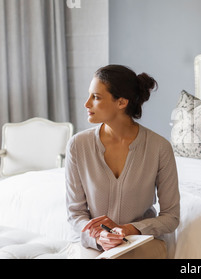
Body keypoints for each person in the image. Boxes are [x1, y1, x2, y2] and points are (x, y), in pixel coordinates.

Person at [65, 65, 180, 258]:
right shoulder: (78, 145)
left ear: (121, 102)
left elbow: (171, 217)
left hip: (141, 242)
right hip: (95, 245)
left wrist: (128, 229)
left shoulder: (159, 147)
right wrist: (100, 236)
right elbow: (75, 214)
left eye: (96, 97)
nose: (86, 104)